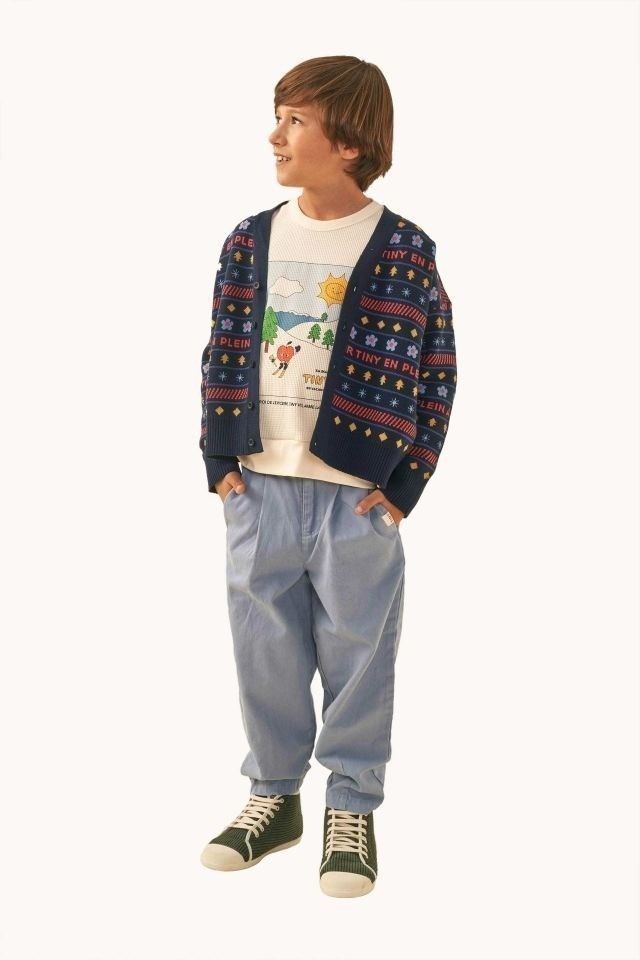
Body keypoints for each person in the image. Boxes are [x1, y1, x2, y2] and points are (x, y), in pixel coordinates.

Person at [198, 55, 457, 898]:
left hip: (358, 495)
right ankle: (274, 796)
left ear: (348, 142)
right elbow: (221, 347)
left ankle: (351, 803)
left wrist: (405, 484)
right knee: (263, 647)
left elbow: (437, 369)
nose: (275, 136)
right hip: (258, 484)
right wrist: (219, 461)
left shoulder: (405, 249)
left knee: (358, 650)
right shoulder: (250, 238)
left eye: (295, 120)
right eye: (279, 116)